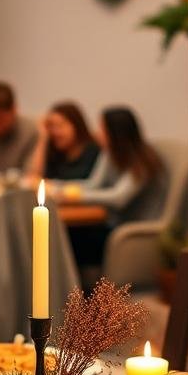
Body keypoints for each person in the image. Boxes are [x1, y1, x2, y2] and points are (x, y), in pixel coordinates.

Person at [69, 106, 167, 267]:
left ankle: (75, 288)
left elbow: (118, 198)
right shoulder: (110, 153)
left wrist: (75, 196)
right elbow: (93, 185)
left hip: (132, 232)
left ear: (116, 133)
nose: (98, 133)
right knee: (71, 235)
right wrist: (57, 188)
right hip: (112, 224)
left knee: (73, 238)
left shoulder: (141, 162)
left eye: (102, 128)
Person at [25, 101, 103, 182]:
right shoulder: (53, 151)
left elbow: (94, 185)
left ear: (76, 125)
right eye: (51, 126)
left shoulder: (94, 151)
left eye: (60, 125)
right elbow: (34, 178)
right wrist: (43, 137)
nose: (55, 132)